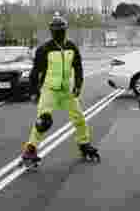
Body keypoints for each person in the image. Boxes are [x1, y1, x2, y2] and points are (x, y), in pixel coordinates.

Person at [20, 13, 100, 170]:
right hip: (49, 90)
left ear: (65, 30)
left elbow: (78, 68)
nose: (59, 33)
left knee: (79, 119)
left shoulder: (71, 47)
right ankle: (30, 149)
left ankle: (84, 144)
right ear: (51, 31)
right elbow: (35, 72)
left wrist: (78, 85)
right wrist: (34, 91)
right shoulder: (44, 49)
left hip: (66, 90)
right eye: (56, 30)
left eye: (61, 30)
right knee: (43, 120)